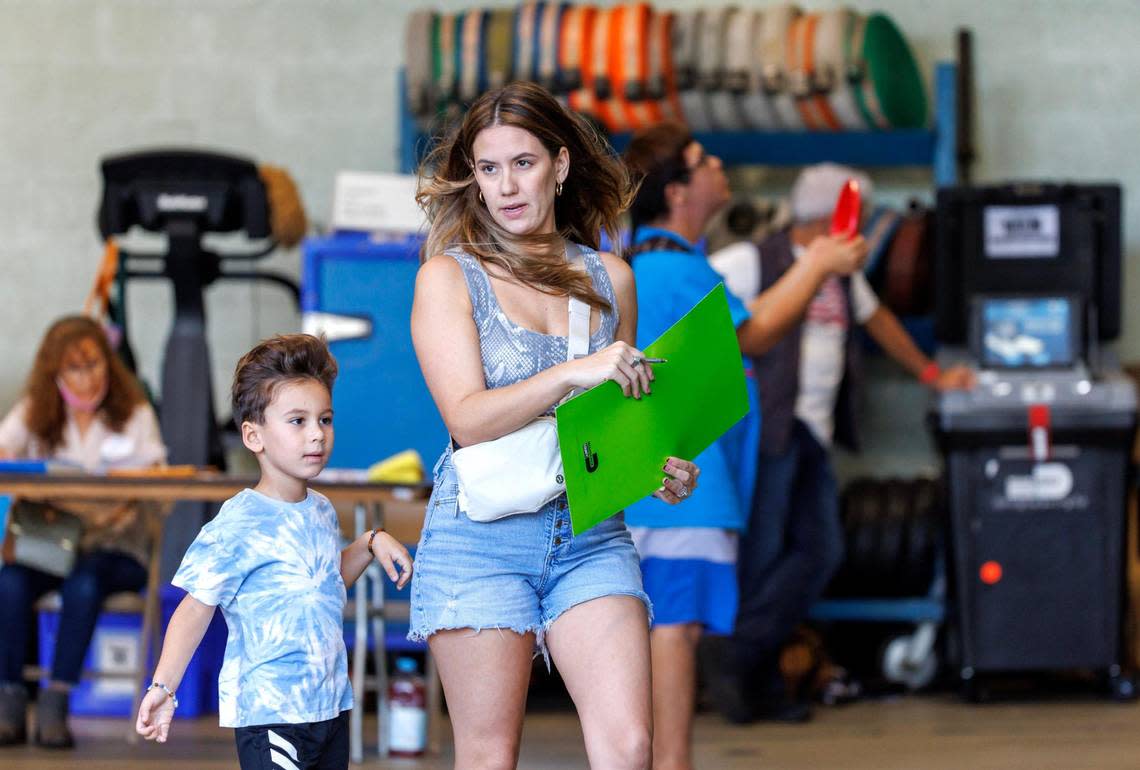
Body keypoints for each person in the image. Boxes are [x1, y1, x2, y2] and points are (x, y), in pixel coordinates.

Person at [409, 82, 702, 770]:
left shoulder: (612, 280)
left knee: (630, 746)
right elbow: (467, 419)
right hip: (479, 538)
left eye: (523, 163)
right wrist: (573, 373)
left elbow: (616, 423)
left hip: (590, 536)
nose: (506, 186)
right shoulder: (448, 279)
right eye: (488, 169)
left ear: (561, 164)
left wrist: (657, 467)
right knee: (489, 756)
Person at [621, 124, 869, 767]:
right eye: (704, 160)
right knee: (674, 630)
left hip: (671, 490)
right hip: (679, 495)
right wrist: (818, 263)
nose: (719, 164)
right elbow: (754, 333)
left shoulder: (666, 265)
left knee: (667, 628)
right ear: (677, 191)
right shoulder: (669, 268)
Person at [709, 162, 976, 722]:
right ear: (837, 217)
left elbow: (879, 322)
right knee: (761, 557)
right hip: (765, 429)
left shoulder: (841, 274)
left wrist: (933, 376)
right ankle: (748, 680)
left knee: (819, 551)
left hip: (812, 433)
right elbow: (710, 328)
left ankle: (742, 655)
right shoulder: (748, 262)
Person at [135, 334, 413, 769]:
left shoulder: (320, 510)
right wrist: (164, 687)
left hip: (329, 707)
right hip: (273, 716)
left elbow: (323, 584)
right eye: (297, 421)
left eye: (324, 419)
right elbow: (194, 609)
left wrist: (370, 542)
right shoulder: (238, 522)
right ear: (253, 435)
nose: (317, 435)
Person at [0, 315, 167, 749]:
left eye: (94, 364)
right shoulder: (36, 411)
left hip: (117, 546)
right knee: (9, 582)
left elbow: (164, 487)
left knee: (85, 582)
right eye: (74, 367)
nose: (87, 377)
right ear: (54, 371)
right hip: (54, 544)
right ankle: (10, 699)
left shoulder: (135, 413)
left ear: (109, 365)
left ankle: (57, 699)